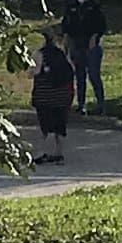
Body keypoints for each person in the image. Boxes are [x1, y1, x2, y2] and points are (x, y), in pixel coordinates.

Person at [61, 0, 110, 113]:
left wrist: (95, 37)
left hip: (91, 44)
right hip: (76, 44)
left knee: (94, 75)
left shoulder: (94, 6)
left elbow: (101, 25)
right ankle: (81, 105)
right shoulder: (71, 6)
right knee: (79, 76)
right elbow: (66, 27)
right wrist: (66, 43)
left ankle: (101, 104)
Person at [28, 34, 77, 164]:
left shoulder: (39, 54)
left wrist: (31, 72)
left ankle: (43, 153)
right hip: (62, 96)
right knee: (60, 125)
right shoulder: (61, 53)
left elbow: (35, 72)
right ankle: (58, 153)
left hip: (45, 96)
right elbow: (71, 69)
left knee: (45, 126)